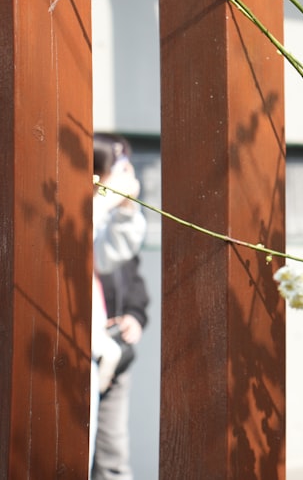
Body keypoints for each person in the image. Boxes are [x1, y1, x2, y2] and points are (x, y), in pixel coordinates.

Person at [91, 134, 148, 480]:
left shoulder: (112, 217)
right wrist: (109, 199)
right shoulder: (76, 216)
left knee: (113, 453)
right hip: (78, 349)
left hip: (115, 348)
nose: (127, 174)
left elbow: (127, 265)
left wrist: (136, 317)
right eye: (118, 166)